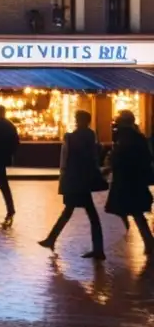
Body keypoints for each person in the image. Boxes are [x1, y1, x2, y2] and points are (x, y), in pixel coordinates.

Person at [39, 110, 106, 259]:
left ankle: (98, 249)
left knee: (78, 212)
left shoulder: (79, 135)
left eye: (77, 118)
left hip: (77, 179)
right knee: (76, 212)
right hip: (81, 180)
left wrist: (68, 138)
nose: (76, 120)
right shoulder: (88, 134)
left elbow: (77, 156)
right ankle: (52, 239)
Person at [105, 110, 154, 255]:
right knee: (135, 211)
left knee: (134, 211)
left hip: (128, 180)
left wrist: (113, 162)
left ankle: (148, 242)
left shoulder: (127, 137)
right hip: (132, 180)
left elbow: (122, 157)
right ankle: (148, 241)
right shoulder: (135, 137)